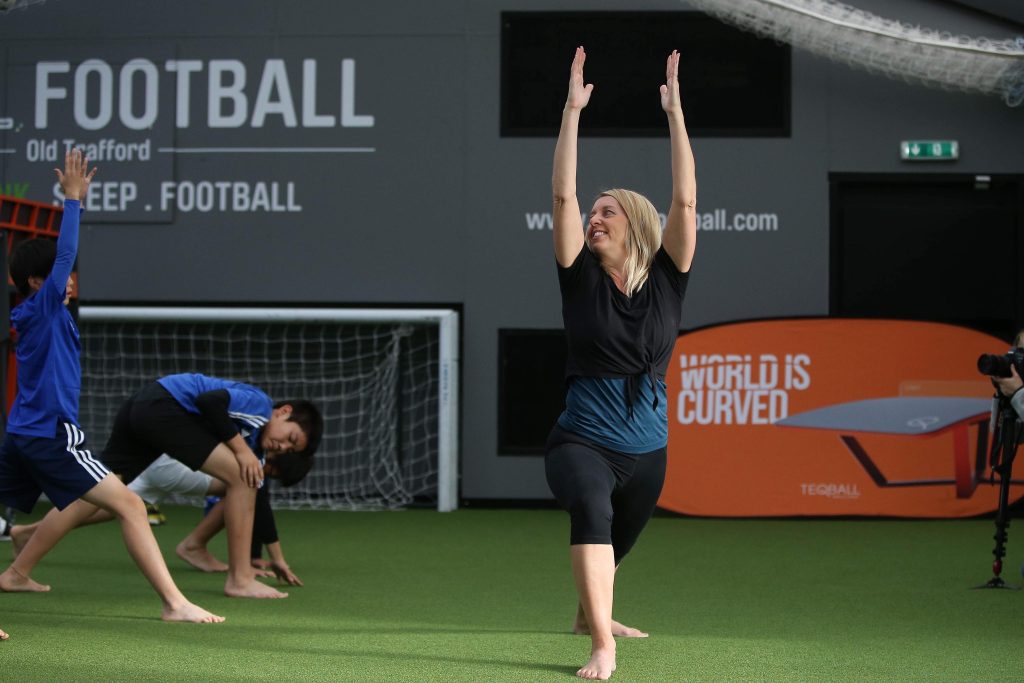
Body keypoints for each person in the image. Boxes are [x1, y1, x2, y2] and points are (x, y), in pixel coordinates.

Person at [0, 150, 223, 626]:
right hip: (51, 436)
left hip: (22, 432)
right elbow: (64, 254)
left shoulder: (37, 316)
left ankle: (17, 573)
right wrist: (74, 201)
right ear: (37, 282)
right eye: (64, 276)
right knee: (132, 505)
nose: (72, 280)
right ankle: (174, 603)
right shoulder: (44, 308)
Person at [544, 47, 696, 681]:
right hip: (582, 437)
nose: (593, 217)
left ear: (636, 225)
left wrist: (675, 113)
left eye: (607, 212)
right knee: (593, 512)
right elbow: (562, 193)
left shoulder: (668, 278)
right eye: (593, 212)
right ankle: (601, 642)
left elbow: (684, 204)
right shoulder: (579, 278)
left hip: (648, 446)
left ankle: (590, 613)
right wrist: (572, 110)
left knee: (621, 540)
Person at [9, 373, 320, 599]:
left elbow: (257, 499)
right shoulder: (260, 405)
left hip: (143, 407)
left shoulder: (254, 441)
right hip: (161, 406)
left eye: (290, 450)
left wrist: (272, 556)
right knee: (241, 476)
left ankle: (17, 571)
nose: (282, 447)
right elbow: (209, 401)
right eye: (289, 437)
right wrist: (239, 452)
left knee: (95, 494)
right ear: (284, 411)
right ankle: (239, 580)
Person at [11, 445, 315, 587]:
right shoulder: (255, 445)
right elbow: (256, 502)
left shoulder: (257, 440)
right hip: (170, 465)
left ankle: (27, 533)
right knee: (245, 487)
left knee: (107, 507)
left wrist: (253, 556)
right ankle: (194, 546)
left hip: (163, 462)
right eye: (274, 469)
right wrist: (277, 558)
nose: (269, 472)